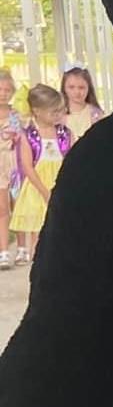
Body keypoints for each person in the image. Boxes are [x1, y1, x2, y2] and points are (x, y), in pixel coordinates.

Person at [10, 85, 72, 267]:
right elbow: (28, 167)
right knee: (39, 227)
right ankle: (39, 264)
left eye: (60, 111)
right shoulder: (29, 136)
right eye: (54, 112)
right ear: (37, 111)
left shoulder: (64, 134)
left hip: (60, 183)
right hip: (38, 186)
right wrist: (44, 191)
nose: (58, 115)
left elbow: (71, 158)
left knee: (60, 226)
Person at [0, 71, 21, 270]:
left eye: (7, 90)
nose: (3, 94)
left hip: (14, 162)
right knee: (2, 208)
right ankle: (3, 250)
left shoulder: (15, 115)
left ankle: (22, 247)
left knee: (18, 204)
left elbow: (19, 139)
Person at [60, 66, 103, 141]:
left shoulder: (96, 115)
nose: (77, 92)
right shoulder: (58, 116)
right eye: (71, 87)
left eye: (81, 87)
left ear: (89, 88)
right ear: (64, 88)